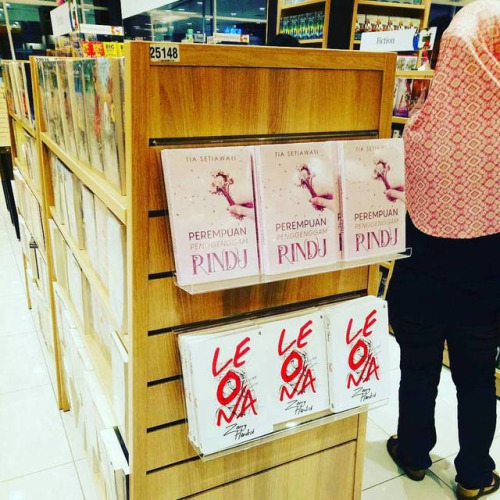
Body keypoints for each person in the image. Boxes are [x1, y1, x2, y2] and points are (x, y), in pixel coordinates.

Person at [385, 2, 500, 500]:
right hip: (485, 284)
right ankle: (474, 475)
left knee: (418, 372)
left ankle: (413, 453)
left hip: (422, 278)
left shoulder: (420, 130)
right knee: (477, 381)